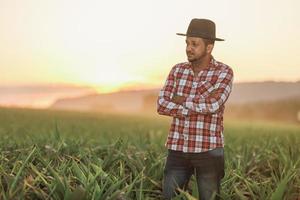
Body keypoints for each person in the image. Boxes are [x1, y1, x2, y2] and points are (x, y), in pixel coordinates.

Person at [157, 18, 234, 200]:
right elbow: (161, 105)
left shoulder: (224, 72)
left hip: (209, 151)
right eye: (187, 43)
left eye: (194, 44)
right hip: (177, 150)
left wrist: (180, 100)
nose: (188, 48)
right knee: (169, 197)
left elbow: (213, 105)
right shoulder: (177, 70)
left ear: (209, 47)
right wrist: (196, 104)